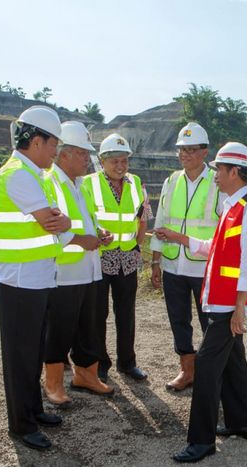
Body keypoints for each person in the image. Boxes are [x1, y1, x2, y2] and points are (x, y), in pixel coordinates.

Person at [155, 142, 247, 463]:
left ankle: (201, 442)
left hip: (229, 304)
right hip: (222, 299)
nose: (215, 174)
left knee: (205, 365)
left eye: (219, 169)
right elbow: (214, 248)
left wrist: (240, 307)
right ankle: (242, 423)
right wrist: (181, 239)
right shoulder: (231, 206)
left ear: (234, 172)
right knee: (233, 361)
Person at [0, 106, 70, 451]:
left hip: (36, 278)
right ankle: (22, 425)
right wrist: (59, 219)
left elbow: (57, 219)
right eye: (54, 144)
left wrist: (59, 219)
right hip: (20, 281)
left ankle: (34, 410)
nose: (56, 151)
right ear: (37, 141)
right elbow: (51, 220)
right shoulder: (18, 174)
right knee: (21, 356)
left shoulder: (34, 173)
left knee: (32, 351)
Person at [42, 121, 114, 407]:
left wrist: (99, 234)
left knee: (90, 327)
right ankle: (54, 383)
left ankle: (86, 374)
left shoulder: (80, 185)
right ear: (64, 154)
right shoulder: (50, 182)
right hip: (64, 271)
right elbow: (51, 226)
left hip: (89, 269)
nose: (88, 159)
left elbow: (87, 221)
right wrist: (80, 240)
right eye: (82, 153)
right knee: (59, 329)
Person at [150, 123, 226, 392]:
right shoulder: (171, 181)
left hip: (203, 267)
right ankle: (187, 370)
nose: (185, 155)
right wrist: (156, 261)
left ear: (204, 152)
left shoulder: (218, 183)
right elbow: (161, 221)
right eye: (181, 150)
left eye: (191, 150)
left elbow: (224, 227)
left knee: (210, 323)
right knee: (178, 320)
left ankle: (211, 374)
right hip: (173, 264)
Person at [82, 133, 151, 382]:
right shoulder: (88, 184)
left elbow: (142, 217)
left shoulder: (136, 182)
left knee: (126, 313)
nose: (120, 166)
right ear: (102, 161)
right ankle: (100, 363)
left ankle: (127, 362)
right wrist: (98, 233)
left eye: (124, 161)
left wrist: (137, 245)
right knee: (98, 313)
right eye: (114, 162)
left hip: (127, 257)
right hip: (100, 257)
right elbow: (85, 218)